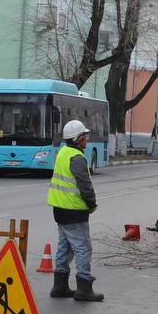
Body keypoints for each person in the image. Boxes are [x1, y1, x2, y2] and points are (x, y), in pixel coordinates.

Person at [46, 120, 104, 302]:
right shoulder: (77, 158)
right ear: (78, 139)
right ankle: (84, 287)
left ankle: (60, 285)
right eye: (85, 137)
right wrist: (92, 203)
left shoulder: (63, 152)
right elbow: (85, 185)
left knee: (65, 246)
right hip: (74, 210)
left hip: (60, 209)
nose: (87, 139)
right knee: (82, 247)